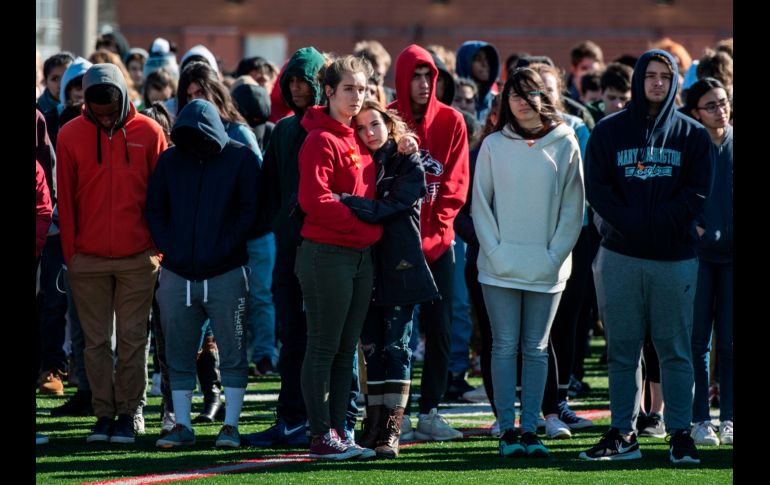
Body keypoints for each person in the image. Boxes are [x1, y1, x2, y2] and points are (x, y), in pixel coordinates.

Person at [579, 49, 714, 463]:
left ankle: (680, 434)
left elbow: (698, 192)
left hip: (674, 257)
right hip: (620, 253)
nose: (656, 83)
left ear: (674, 83)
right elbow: (597, 188)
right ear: (638, 79)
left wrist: (657, 221)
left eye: (664, 76)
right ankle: (623, 432)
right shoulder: (608, 131)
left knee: (674, 348)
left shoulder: (692, 134)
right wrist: (632, 222)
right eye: (650, 75)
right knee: (622, 348)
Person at [472, 67, 584, 458]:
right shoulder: (492, 145)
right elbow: (480, 206)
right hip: (498, 266)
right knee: (503, 346)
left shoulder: (565, 140)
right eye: (513, 94)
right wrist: (497, 252)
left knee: (536, 348)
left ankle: (533, 427)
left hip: (548, 267)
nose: (520, 100)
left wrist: (556, 254)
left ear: (542, 95)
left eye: (528, 92)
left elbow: (574, 207)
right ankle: (507, 430)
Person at [56, 63, 167, 444]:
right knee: (96, 342)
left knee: (135, 340)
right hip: (86, 258)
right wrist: (72, 254)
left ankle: (131, 411)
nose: (105, 119)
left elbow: (162, 196)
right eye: (97, 112)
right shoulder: (70, 134)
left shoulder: (150, 132)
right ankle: (104, 414)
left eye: (111, 112)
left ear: (123, 97)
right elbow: (66, 201)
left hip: (139, 256)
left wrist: (157, 251)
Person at [147, 99, 261, 449]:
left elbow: (250, 211)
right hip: (177, 273)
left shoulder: (241, 158)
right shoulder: (170, 160)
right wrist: (174, 249)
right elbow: (155, 209)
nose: (195, 141)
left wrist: (223, 247)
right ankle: (182, 424)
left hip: (226, 272)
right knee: (177, 353)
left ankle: (230, 426)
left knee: (233, 351)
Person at [295, 54, 381, 460]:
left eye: (363, 89)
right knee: (324, 347)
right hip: (327, 254)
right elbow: (315, 200)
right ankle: (319, 435)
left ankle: (338, 432)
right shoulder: (320, 138)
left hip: (359, 255)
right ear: (328, 92)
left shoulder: (356, 136)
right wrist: (366, 226)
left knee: (346, 350)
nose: (357, 96)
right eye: (349, 88)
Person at [341, 99, 438, 458]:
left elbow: (393, 208)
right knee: (371, 350)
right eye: (361, 128)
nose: (369, 133)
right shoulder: (361, 162)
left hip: (401, 266)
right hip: (367, 265)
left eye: (375, 125)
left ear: (389, 124)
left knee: (396, 347)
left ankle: (393, 429)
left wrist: (349, 202)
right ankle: (374, 425)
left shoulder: (408, 160)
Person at [389, 44, 469, 442]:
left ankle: (430, 412)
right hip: (396, 246)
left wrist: (434, 236)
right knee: (397, 333)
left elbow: (454, 188)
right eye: (416, 77)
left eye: (429, 77)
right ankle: (395, 417)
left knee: (441, 330)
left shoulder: (452, 120)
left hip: (439, 245)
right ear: (403, 80)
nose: (423, 85)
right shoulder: (386, 120)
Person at [682, 78, 733, 446]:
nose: (721, 110)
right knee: (698, 341)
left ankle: (729, 417)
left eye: (725, 102)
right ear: (695, 112)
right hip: (697, 257)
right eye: (712, 105)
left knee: (729, 342)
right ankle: (701, 419)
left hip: (732, 259)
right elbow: (673, 194)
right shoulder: (689, 145)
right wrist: (692, 227)